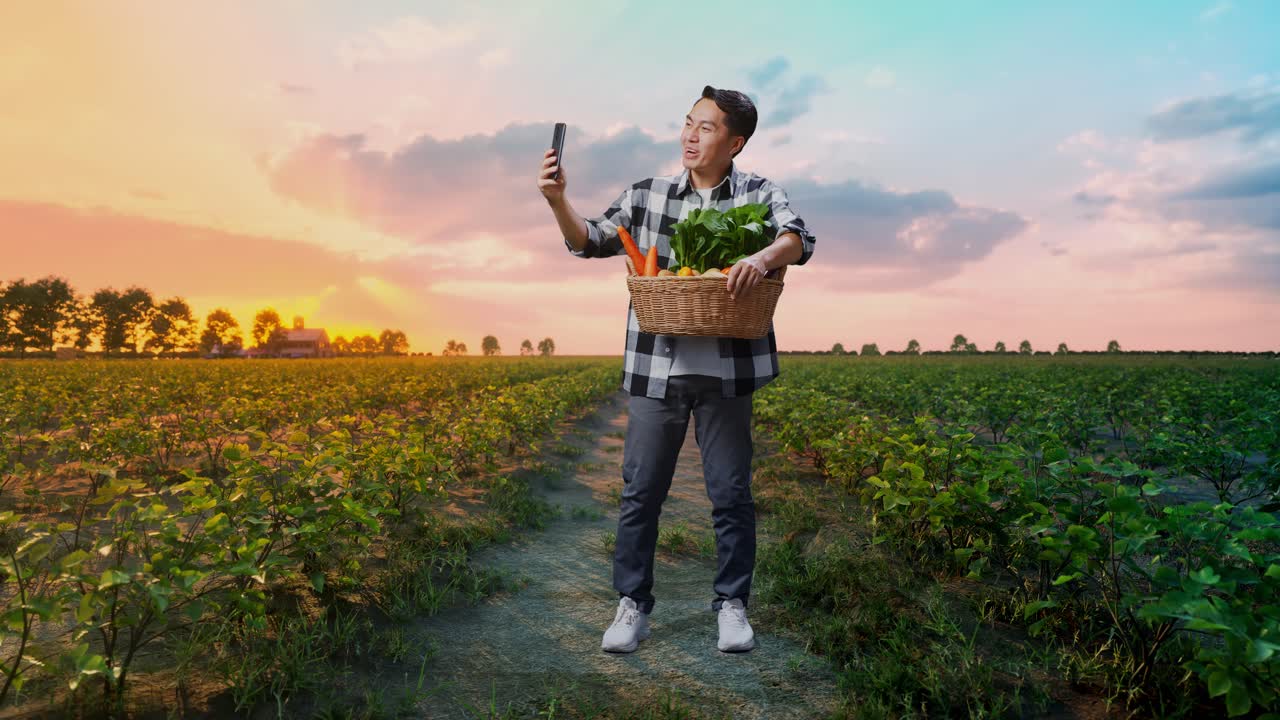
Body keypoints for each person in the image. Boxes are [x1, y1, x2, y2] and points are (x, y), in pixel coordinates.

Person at [536, 85, 816, 654]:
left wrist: (759, 258)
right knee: (641, 493)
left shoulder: (759, 194)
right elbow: (590, 239)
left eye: (706, 127)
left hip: (728, 373)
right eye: (689, 123)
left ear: (735, 142)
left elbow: (799, 238)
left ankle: (732, 605)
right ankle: (632, 604)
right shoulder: (647, 195)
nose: (690, 135)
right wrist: (556, 201)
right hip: (655, 371)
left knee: (731, 494)